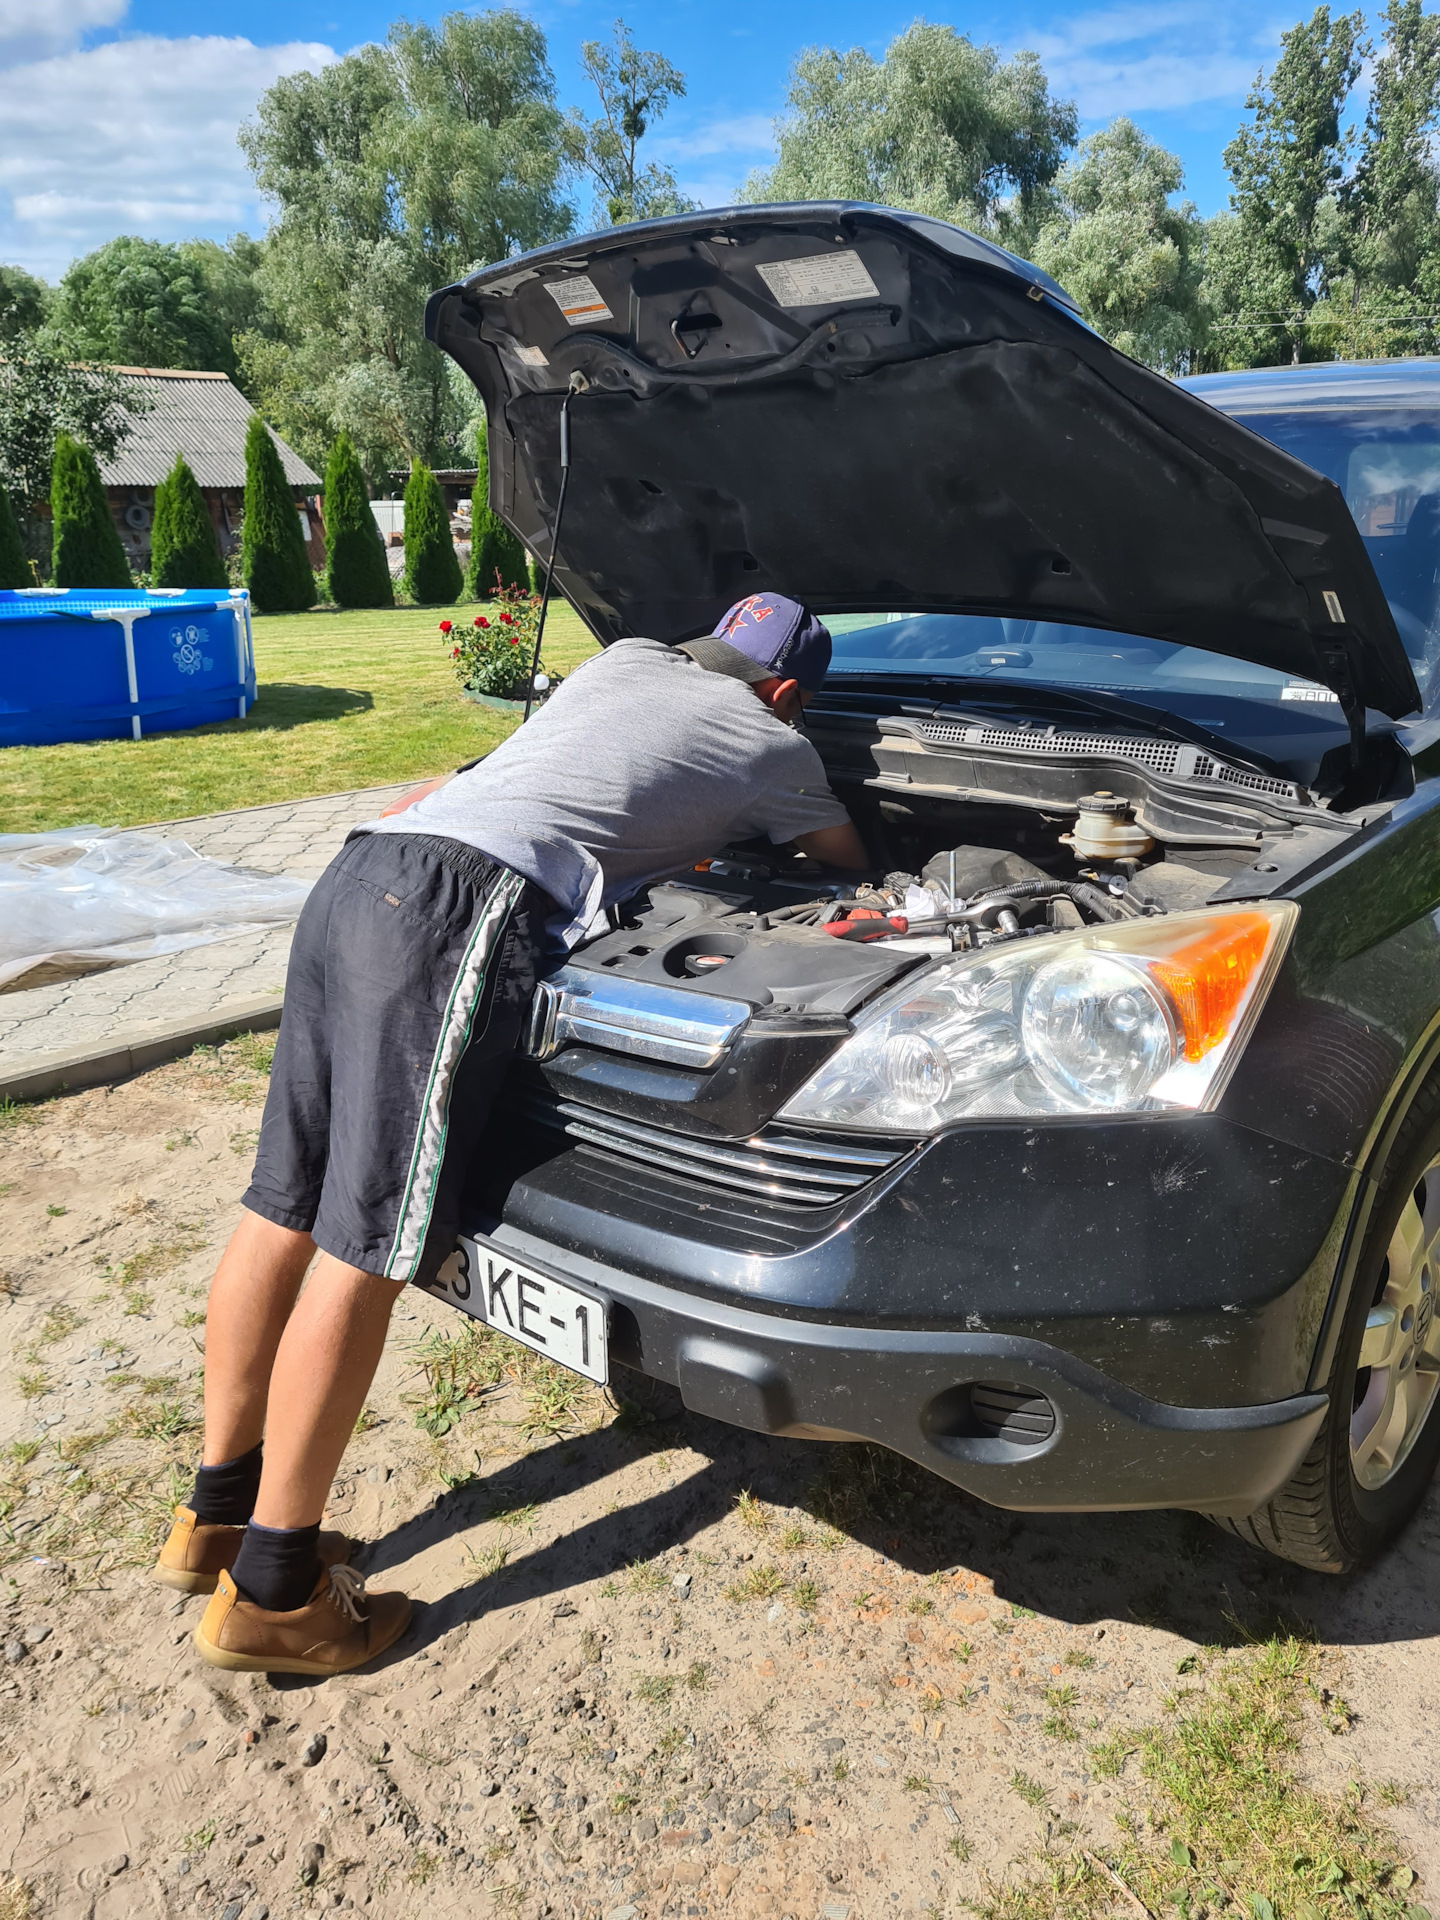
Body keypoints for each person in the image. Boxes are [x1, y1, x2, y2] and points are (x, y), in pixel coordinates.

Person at [155, 593, 868, 1676]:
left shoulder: (626, 661)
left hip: (363, 869)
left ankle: (213, 1516)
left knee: (283, 1202)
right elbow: (842, 866)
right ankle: (274, 1594)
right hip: (451, 910)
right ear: (783, 694)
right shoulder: (775, 738)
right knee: (370, 1244)